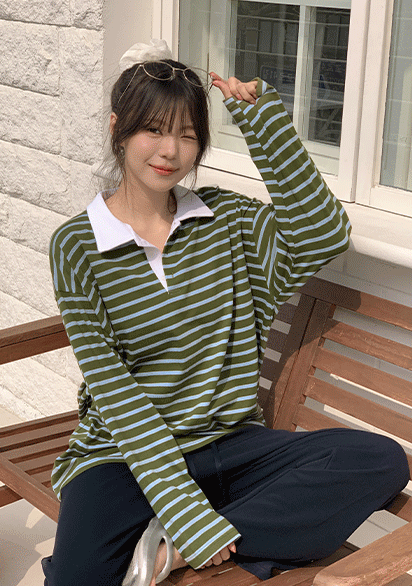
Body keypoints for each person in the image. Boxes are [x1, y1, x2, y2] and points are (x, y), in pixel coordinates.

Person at [42, 40, 409, 586]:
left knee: (379, 459)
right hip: (125, 455)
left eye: (188, 135)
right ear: (118, 128)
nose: (170, 150)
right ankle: (211, 531)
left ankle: (166, 551)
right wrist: (188, 514)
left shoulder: (227, 221)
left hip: (231, 444)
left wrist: (264, 124)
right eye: (153, 130)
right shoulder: (76, 245)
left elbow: (323, 233)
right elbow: (115, 393)